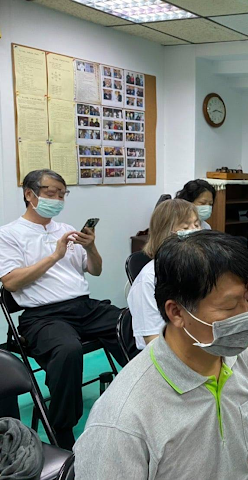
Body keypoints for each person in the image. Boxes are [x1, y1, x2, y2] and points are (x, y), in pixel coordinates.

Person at [75, 231, 248, 479]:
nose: (246, 316)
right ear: (176, 312)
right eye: (231, 306)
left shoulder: (232, 355)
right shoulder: (124, 419)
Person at [128, 200, 248, 448]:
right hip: (182, 362)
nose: (195, 229)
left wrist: (237, 348)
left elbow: (211, 321)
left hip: (209, 351)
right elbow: (153, 341)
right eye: (185, 226)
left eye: (196, 223)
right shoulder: (149, 279)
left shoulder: (207, 271)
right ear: (165, 231)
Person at [0, 169, 133, 450]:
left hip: (82, 306)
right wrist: (55, 256)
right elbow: (11, 282)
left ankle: (143, 393)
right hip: (42, 316)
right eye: (51, 193)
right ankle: (62, 428)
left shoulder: (66, 229)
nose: (58, 199)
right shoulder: (9, 234)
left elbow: (95, 271)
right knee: (67, 350)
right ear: (29, 195)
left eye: (62, 194)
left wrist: (92, 247)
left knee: (128, 321)